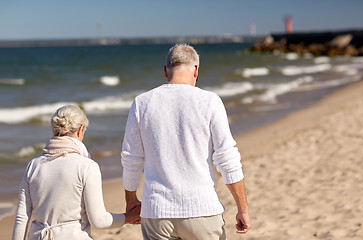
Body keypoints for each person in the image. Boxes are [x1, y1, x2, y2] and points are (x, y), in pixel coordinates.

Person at [121, 43, 251, 240]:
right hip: (201, 209)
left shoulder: (142, 103)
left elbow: (132, 159)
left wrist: (131, 202)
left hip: (157, 213)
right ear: (196, 70)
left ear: (165, 71)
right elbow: (227, 157)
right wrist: (243, 209)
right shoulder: (210, 101)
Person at [12, 105, 141, 240]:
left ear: (54, 129)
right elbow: (99, 221)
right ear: (81, 130)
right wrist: (129, 217)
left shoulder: (34, 165)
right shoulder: (87, 166)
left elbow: (22, 217)